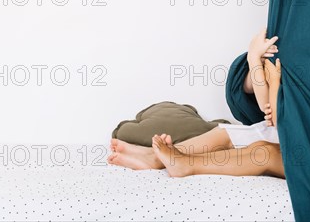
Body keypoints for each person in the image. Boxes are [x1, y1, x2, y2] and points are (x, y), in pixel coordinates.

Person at [108, 28, 285, 178]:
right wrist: (254, 59)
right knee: (225, 133)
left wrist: (274, 83)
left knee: (263, 152)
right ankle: (153, 157)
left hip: (307, 153)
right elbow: (266, 107)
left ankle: (186, 165)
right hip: (283, 130)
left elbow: (281, 121)